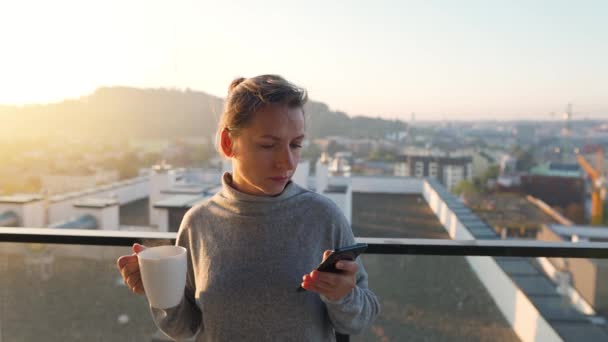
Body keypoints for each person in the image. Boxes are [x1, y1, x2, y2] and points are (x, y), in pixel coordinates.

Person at [116, 75, 380, 341]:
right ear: (228, 143)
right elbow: (184, 328)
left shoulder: (323, 216)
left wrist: (344, 296)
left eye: (296, 144)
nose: (286, 163)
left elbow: (361, 319)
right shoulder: (198, 222)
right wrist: (160, 291)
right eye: (268, 145)